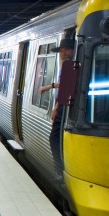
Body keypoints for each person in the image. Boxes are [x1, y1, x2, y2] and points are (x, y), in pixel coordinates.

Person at [41, 38, 76, 175]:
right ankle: (60, 169)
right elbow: (64, 88)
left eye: (65, 50)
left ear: (71, 49)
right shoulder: (66, 64)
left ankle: (60, 171)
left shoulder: (73, 64)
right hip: (62, 104)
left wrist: (49, 86)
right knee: (55, 137)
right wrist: (56, 107)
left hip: (69, 106)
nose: (62, 53)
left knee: (55, 138)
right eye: (61, 51)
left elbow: (68, 83)